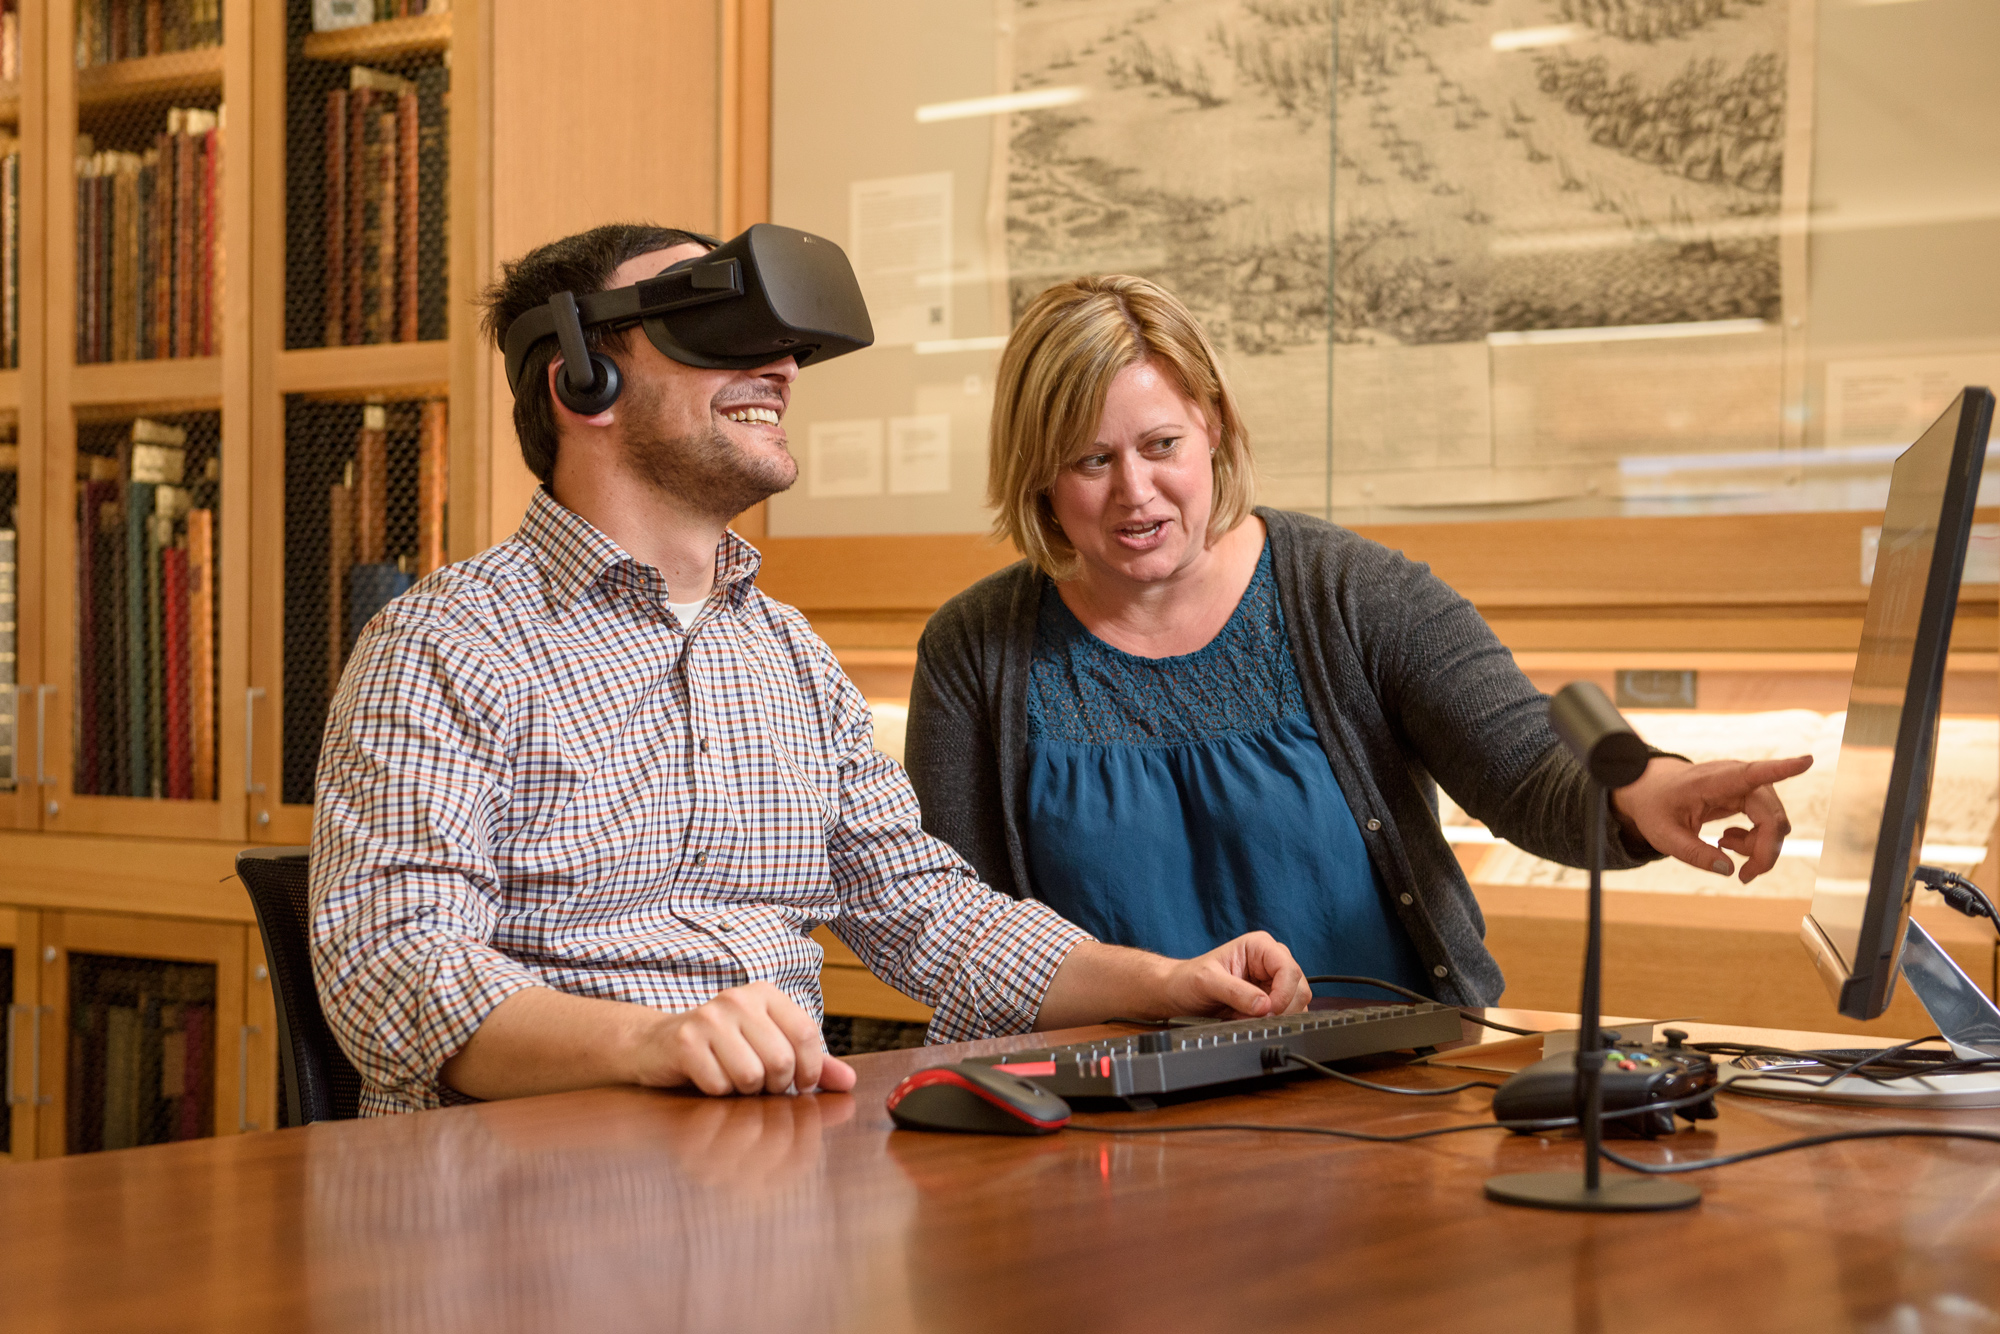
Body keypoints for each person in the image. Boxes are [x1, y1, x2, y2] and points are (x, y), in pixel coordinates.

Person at [309, 226, 1310, 1117]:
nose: (782, 367)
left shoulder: (790, 657)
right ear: (581, 379)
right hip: (526, 1205)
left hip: (769, 1179)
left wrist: (1165, 983)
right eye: (719, 333)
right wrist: (647, 1044)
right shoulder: (444, 642)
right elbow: (391, 967)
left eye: (782, 345)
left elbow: (927, 911)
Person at [904, 274, 1810, 1005]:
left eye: (1162, 445)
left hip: (1389, 1097)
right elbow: (962, 939)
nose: (1136, 492)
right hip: (1107, 1133)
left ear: (1212, 426)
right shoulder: (976, 651)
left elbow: (1529, 764)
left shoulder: (1352, 593)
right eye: (1092, 461)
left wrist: (1649, 786)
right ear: (1039, 477)